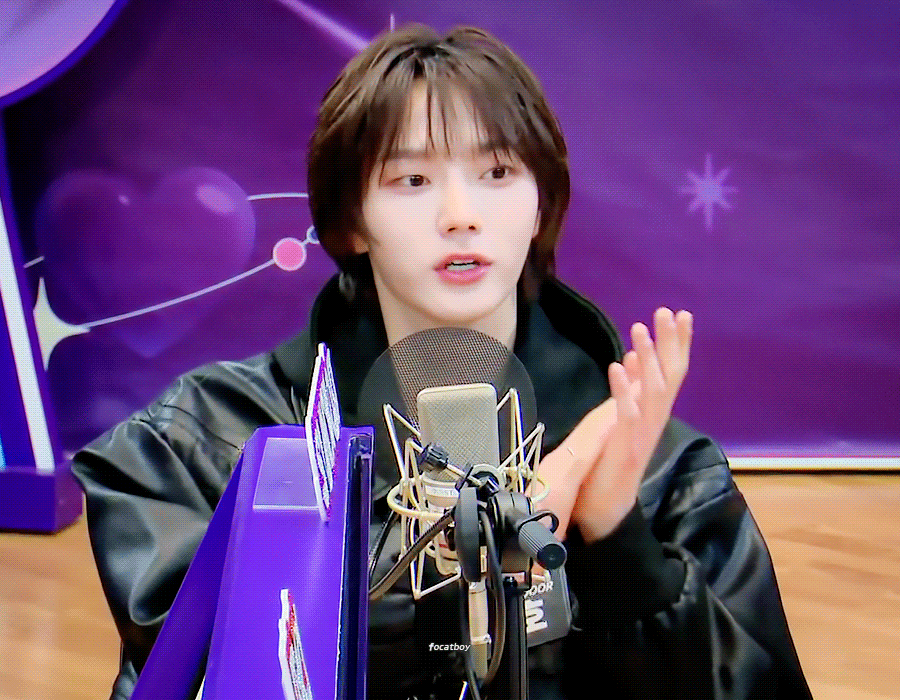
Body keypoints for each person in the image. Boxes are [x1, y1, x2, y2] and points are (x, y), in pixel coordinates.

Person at [72, 23, 812, 700]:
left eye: (497, 172)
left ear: (540, 205)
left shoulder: (660, 469)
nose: (461, 214)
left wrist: (619, 541)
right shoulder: (207, 444)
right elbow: (191, 672)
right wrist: (445, 565)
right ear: (350, 223)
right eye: (413, 181)